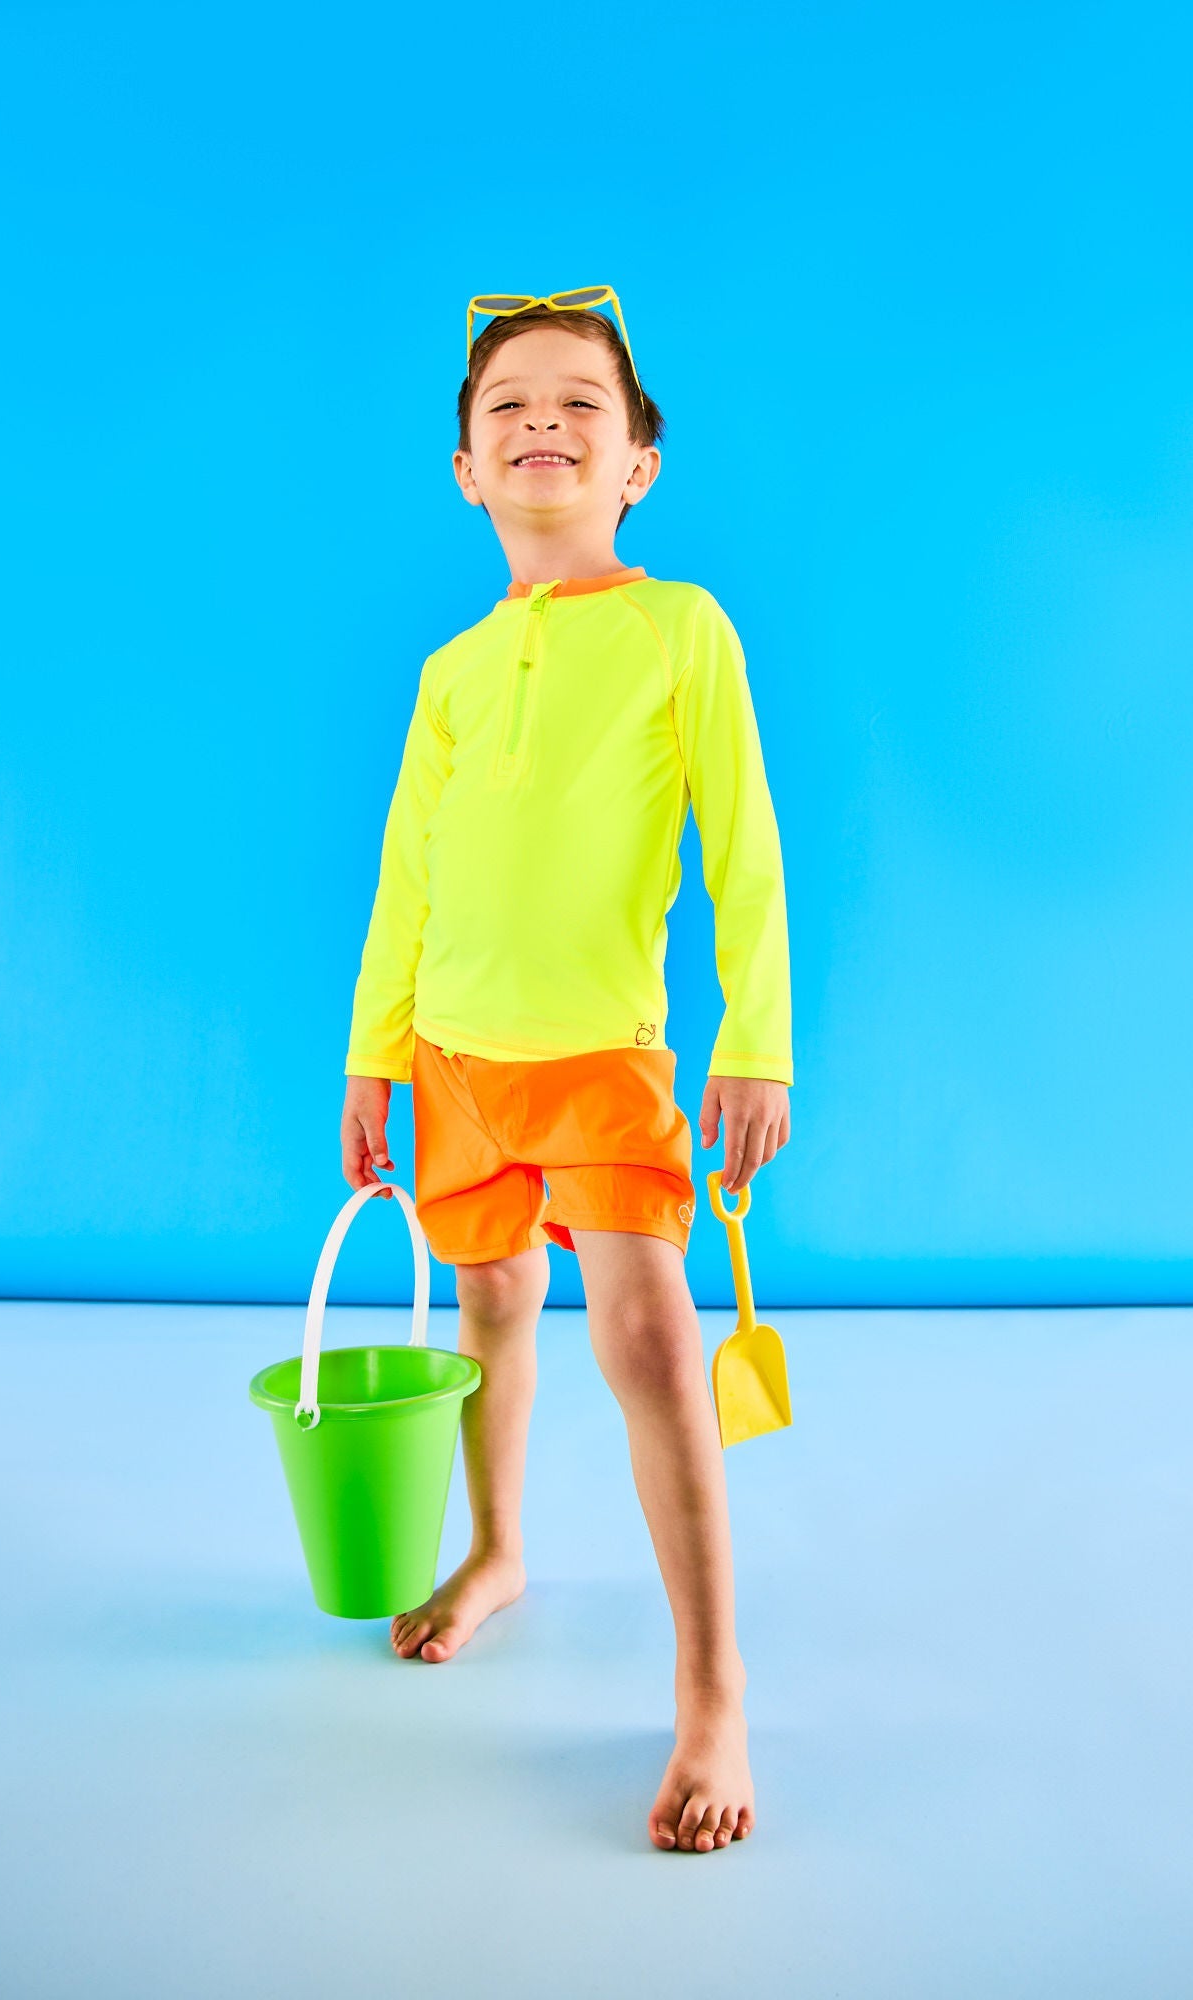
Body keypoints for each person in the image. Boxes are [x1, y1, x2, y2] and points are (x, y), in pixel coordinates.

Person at [339, 288, 793, 1854]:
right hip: (456, 1056)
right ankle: (500, 1550)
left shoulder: (681, 628)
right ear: (466, 467)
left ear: (637, 465)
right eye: (510, 407)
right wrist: (373, 1055)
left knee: (654, 1343)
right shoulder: (452, 671)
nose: (542, 422)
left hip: (604, 1054)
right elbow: (406, 871)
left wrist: (754, 1038)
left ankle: (712, 1686)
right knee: (485, 1313)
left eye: (579, 406)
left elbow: (743, 850)